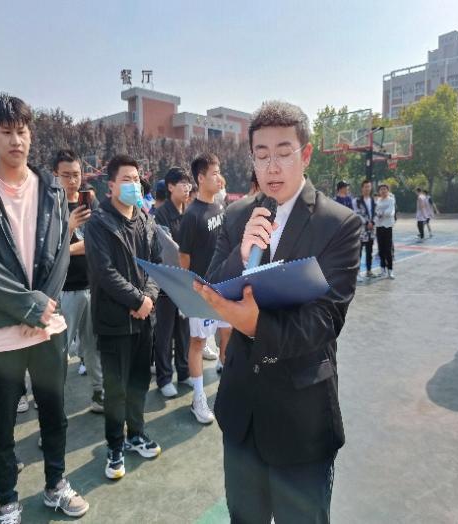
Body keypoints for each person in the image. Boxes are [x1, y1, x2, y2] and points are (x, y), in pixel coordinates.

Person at [197, 100, 361, 523]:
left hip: (301, 419)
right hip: (242, 414)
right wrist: (241, 254)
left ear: (305, 154)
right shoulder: (236, 216)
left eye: (284, 153)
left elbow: (326, 319)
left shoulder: (338, 224)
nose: (272, 166)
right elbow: (212, 286)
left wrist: (257, 325)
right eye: (262, 154)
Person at [0, 93, 89, 522]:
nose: (17, 140)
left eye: (22, 131)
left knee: (54, 414)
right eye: (7, 132)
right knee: (0, 425)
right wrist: (29, 306)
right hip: (1, 330)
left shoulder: (50, 188)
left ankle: (56, 484)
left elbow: (60, 251)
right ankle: (7, 502)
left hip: (49, 326)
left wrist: (43, 306)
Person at [84, 154, 162, 481]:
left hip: (144, 319)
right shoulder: (99, 224)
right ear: (111, 186)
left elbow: (156, 265)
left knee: (139, 382)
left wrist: (149, 298)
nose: (133, 185)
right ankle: (115, 446)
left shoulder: (145, 220)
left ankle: (136, 434)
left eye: (136, 179)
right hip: (114, 322)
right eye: (126, 180)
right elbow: (105, 272)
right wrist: (137, 299)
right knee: (115, 390)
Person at [178, 153, 230, 424]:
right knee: (198, 342)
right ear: (200, 178)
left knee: (228, 335)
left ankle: (229, 388)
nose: (219, 177)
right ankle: (198, 399)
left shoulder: (219, 205)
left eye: (219, 172)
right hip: (201, 291)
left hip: (224, 287)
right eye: (214, 173)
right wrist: (190, 291)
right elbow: (184, 258)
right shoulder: (191, 215)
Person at [53, 149, 104, 413]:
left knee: (94, 345)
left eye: (76, 174)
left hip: (92, 286)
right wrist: (70, 227)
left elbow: (99, 242)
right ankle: (53, 401)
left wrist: (67, 248)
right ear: (55, 175)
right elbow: (47, 251)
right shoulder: (50, 207)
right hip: (65, 291)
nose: (72, 181)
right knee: (59, 351)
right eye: (66, 175)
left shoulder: (90, 202)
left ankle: (99, 393)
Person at [153, 167, 192, 397]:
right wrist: (189, 261)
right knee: (165, 331)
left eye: (188, 184)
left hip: (186, 281)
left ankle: (184, 372)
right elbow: (168, 250)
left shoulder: (189, 212)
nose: (187, 188)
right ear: (170, 187)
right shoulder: (161, 215)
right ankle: (164, 377)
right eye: (182, 184)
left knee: (184, 330)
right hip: (167, 282)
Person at [354, 179, 376, 280]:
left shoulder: (374, 200)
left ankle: (369, 271)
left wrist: (373, 222)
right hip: (361, 230)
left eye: (369, 187)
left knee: (369, 251)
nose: (367, 189)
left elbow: (376, 213)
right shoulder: (357, 201)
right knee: (358, 252)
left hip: (371, 230)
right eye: (365, 187)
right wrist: (367, 222)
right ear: (362, 188)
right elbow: (357, 213)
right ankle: (357, 273)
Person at [374, 184, 396, 279]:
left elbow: (390, 212)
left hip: (387, 226)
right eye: (381, 189)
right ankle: (382, 270)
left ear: (388, 190)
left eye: (385, 189)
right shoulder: (378, 201)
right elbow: (375, 212)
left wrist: (381, 213)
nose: (383, 191)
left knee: (388, 249)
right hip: (379, 227)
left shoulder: (391, 200)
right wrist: (379, 214)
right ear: (379, 191)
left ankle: (390, 270)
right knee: (381, 250)